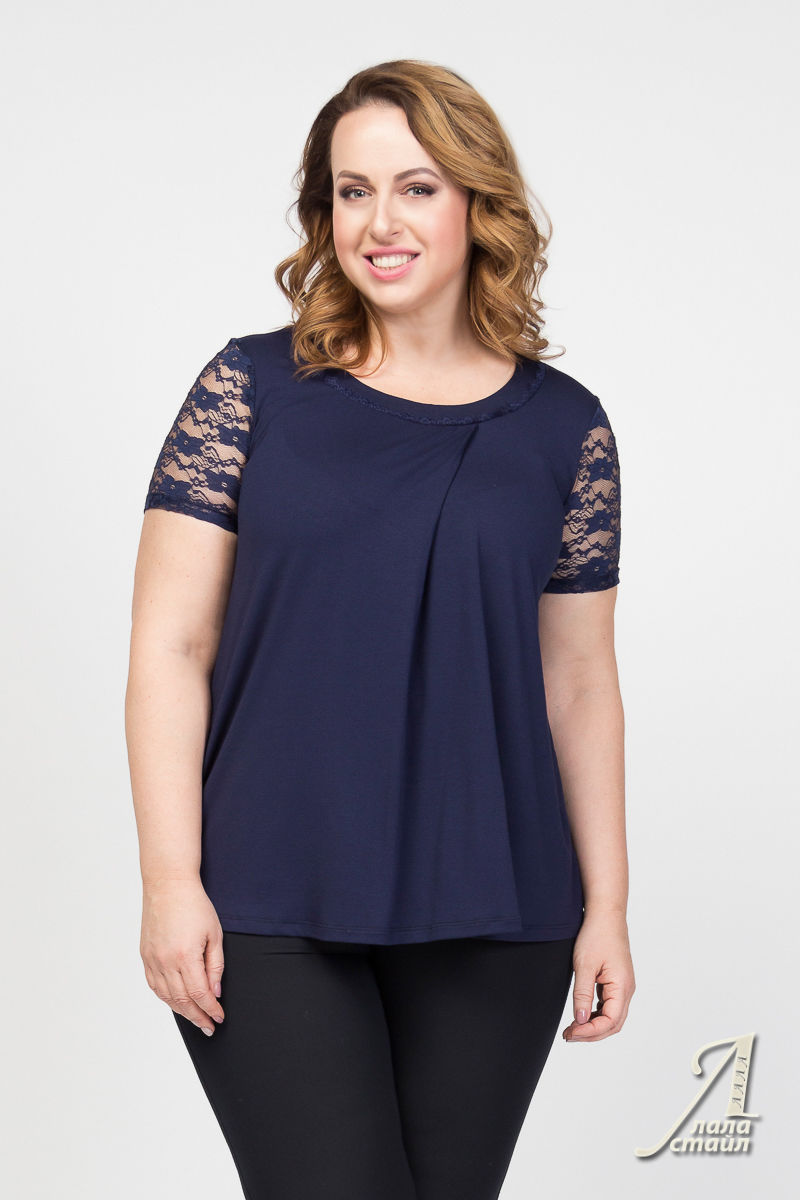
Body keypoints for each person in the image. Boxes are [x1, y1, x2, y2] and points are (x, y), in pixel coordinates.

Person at [125, 58, 634, 1200]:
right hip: (267, 893)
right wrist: (168, 880)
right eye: (351, 192)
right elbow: (170, 648)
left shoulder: (567, 430)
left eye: (415, 188)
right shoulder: (248, 389)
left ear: (477, 204)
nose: (378, 222)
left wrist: (606, 906)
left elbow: (578, 684)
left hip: (499, 904)